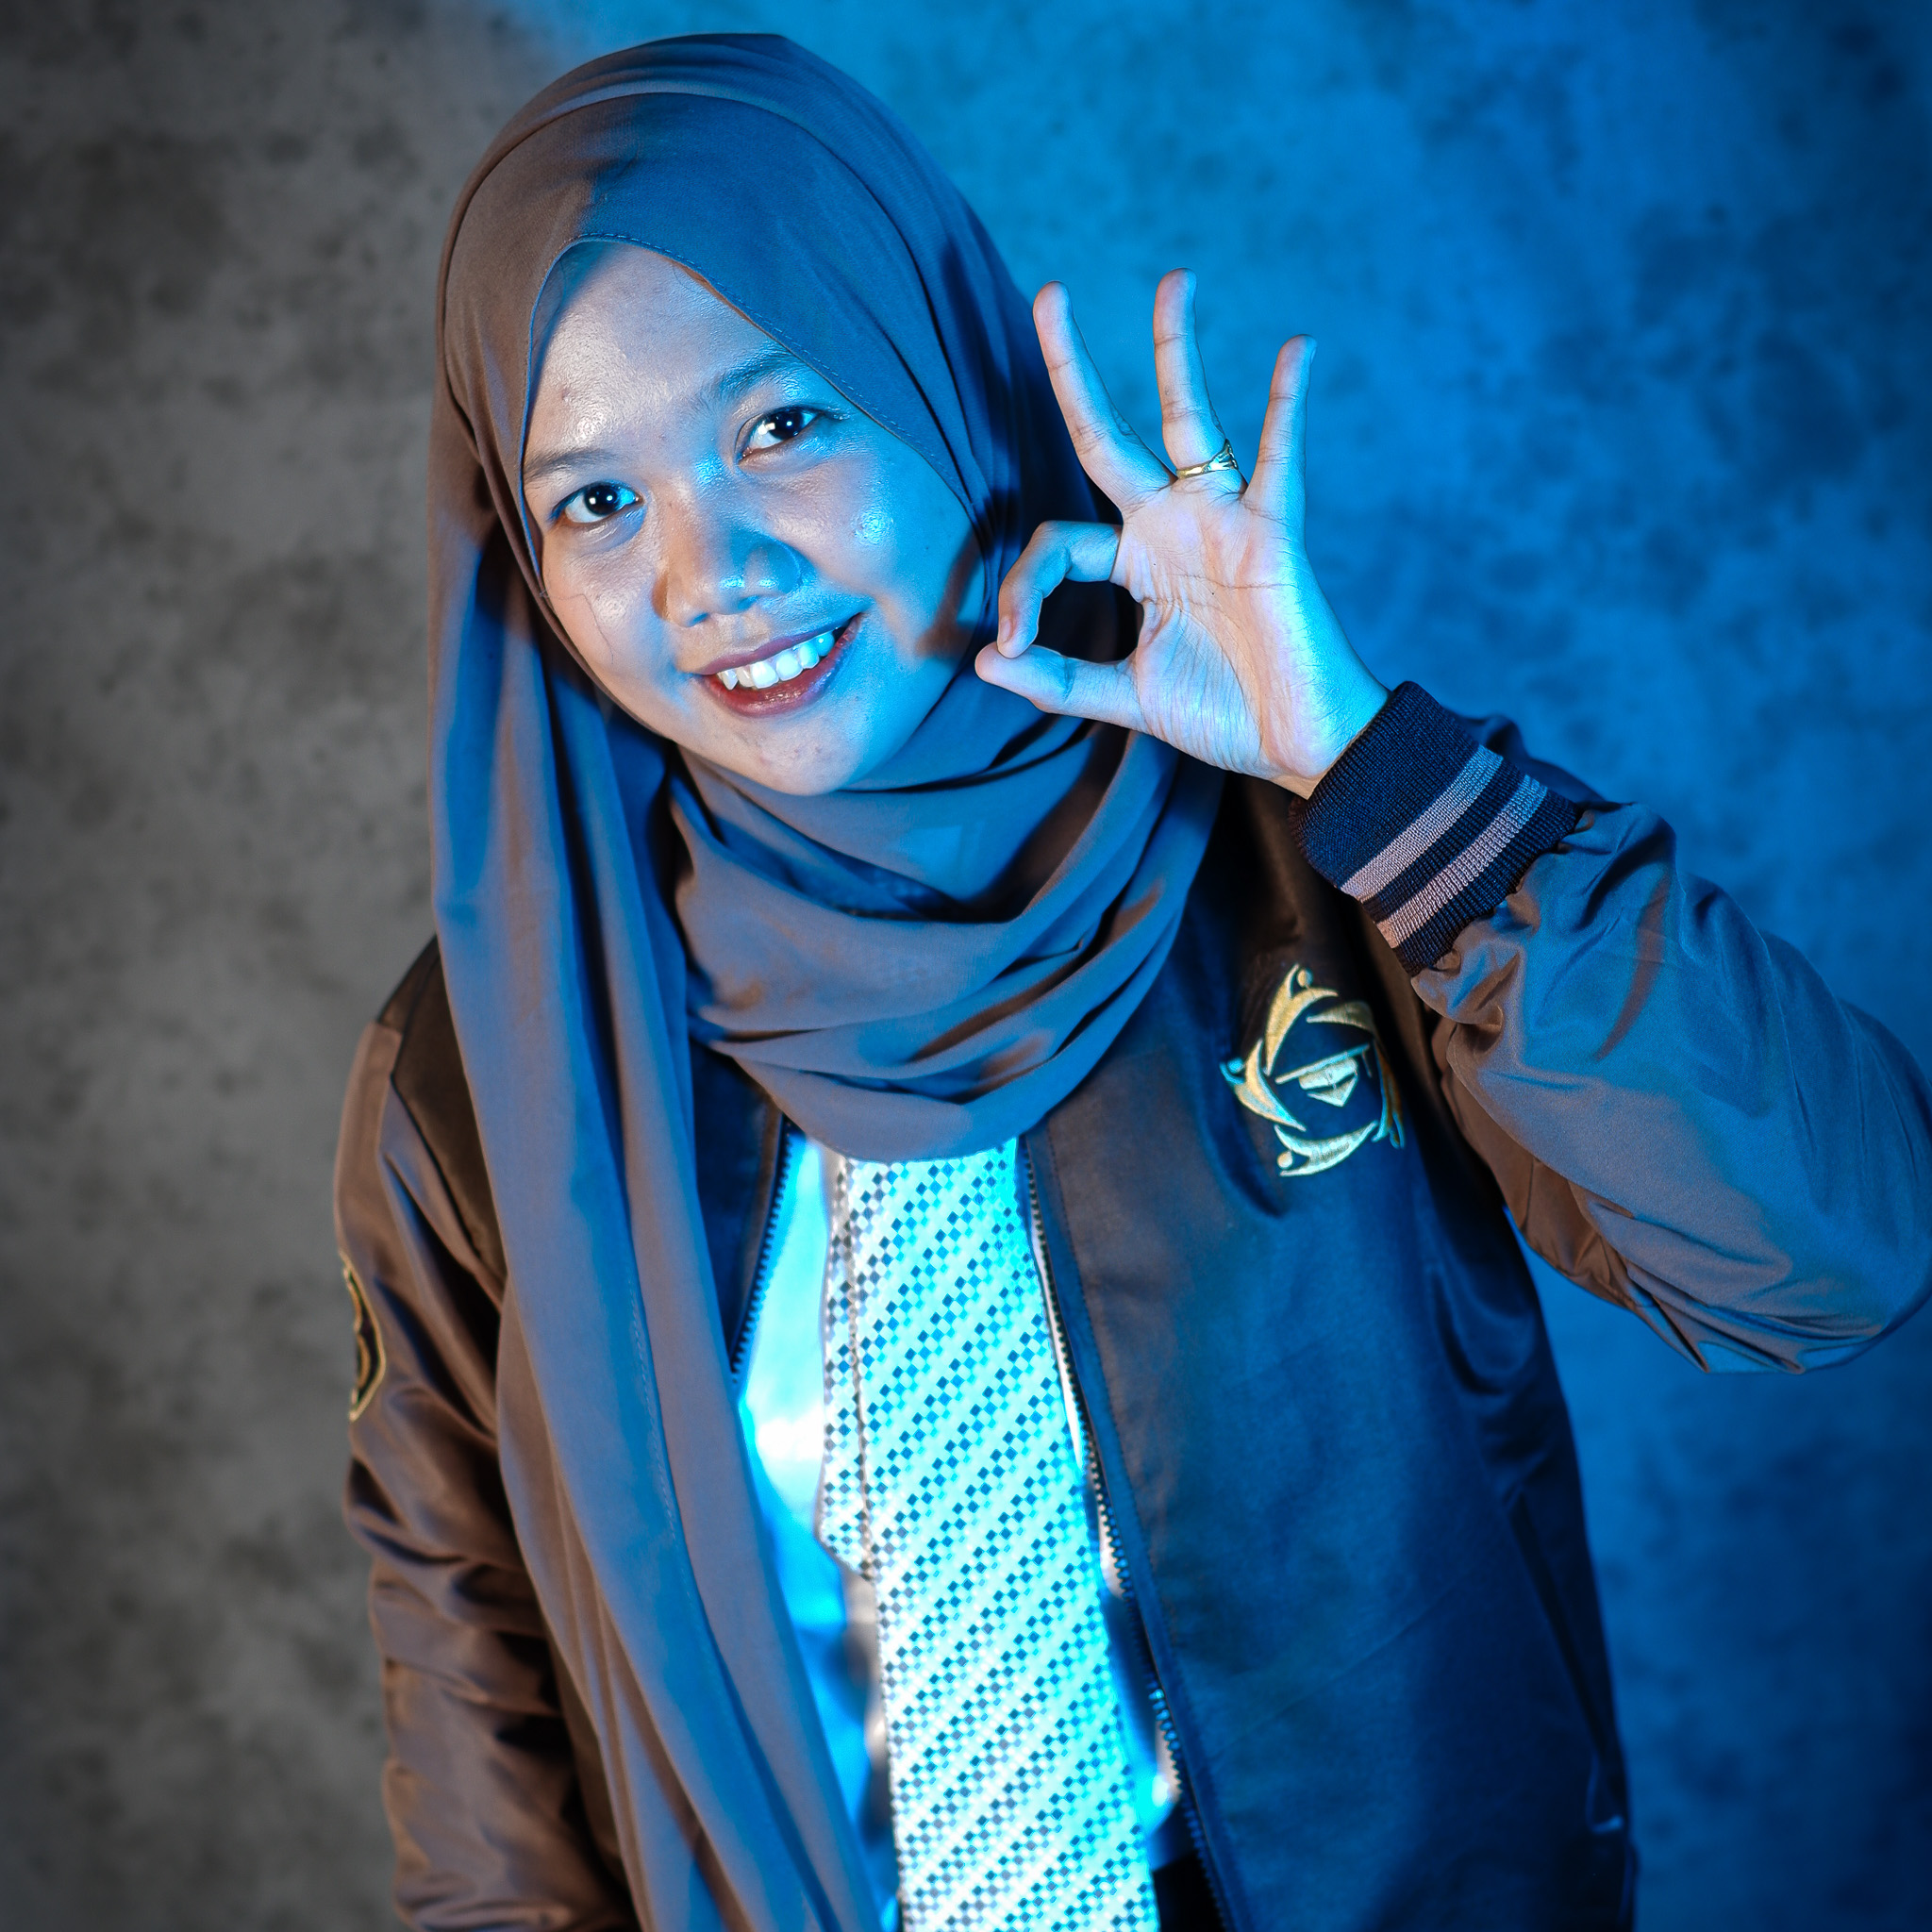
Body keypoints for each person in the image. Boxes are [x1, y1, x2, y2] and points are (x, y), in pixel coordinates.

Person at [331, 33, 1932, 1932]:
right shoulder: (485, 1065)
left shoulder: (1326, 855)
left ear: (934, 374)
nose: (711, 571)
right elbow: (485, 1727)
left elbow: (1830, 1254)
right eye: (595, 502)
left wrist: (1366, 766)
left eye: (781, 427)